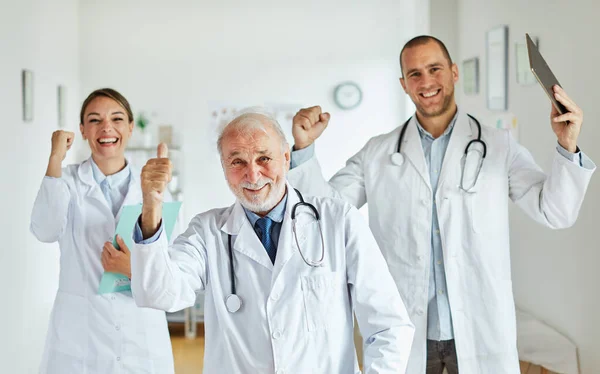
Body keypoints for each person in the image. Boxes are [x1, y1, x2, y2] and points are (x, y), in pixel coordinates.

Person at [287, 35, 596, 373]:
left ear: (453, 72)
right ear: (404, 85)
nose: (426, 81)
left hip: (479, 327)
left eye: (434, 68)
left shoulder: (498, 146)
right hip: (406, 327)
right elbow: (321, 217)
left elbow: (555, 211)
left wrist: (568, 146)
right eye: (414, 74)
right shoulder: (377, 152)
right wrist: (303, 150)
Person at [130, 108, 415, 373]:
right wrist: (152, 205)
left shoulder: (338, 220)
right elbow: (159, 294)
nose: (252, 174)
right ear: (224, 167)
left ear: (286, 159)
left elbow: (388, 325)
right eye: (237, 161)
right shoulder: (208, 231)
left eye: (264, 158)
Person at [30, 88, 174, 373]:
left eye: (117, 118)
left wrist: (136, 266)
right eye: (94, 120)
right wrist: (55, 159)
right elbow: (44, 230)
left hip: (140, 332)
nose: (106, 127)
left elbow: (169, 261)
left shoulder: (154, 186)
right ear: (82, 130)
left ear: (130, 128)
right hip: (81, 336)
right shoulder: (64, 181)